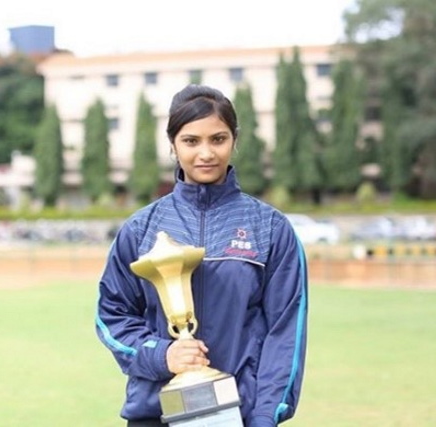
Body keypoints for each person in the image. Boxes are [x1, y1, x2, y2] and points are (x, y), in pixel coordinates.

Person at [95, 84, 308, 427]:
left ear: (234, 140)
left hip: (241, 415)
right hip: (155, 413)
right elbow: (111, 316)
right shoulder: (140, 229)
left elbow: (285, 334)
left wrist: (267, 415)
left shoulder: (270, 229)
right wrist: (162, 355)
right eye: (191, 141)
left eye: (218, 139)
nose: (206, 153)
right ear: (173, 145)